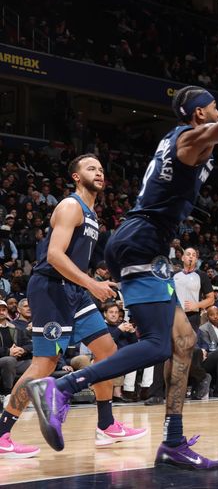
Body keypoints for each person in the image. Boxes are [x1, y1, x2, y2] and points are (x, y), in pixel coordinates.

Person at [26, 51, 218, 469]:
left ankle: (172, 441)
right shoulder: (191, 139)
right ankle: (63, 387)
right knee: (156, 344)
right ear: (198, 114)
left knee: (184, 342)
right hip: (139, 243)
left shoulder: (186, 134)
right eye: (213, 107)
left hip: (145, 246)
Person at [1, 155, 147, 460]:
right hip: (51, 288)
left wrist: (92, 282)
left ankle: (106, 425)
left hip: (75, 290)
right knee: (45, 364)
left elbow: (74, 261)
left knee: (107, 352)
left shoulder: (92, 214)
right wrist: (92, 284)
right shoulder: (70, 206)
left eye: (102, 169)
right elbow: (54, 255)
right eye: (91, 168)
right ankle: (2, 434)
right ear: (76, 177)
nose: (99, 172)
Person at [173, 247, 214, 332]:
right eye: (188, 254)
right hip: (174, 315)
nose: (191, 257)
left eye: (194, 255)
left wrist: (196, 305)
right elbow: (169, 293)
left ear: (196, 259)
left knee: (190, 344)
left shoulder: (202, 275)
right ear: (182, 258)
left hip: (192, 316)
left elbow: (211, 299)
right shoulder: (174, 275)